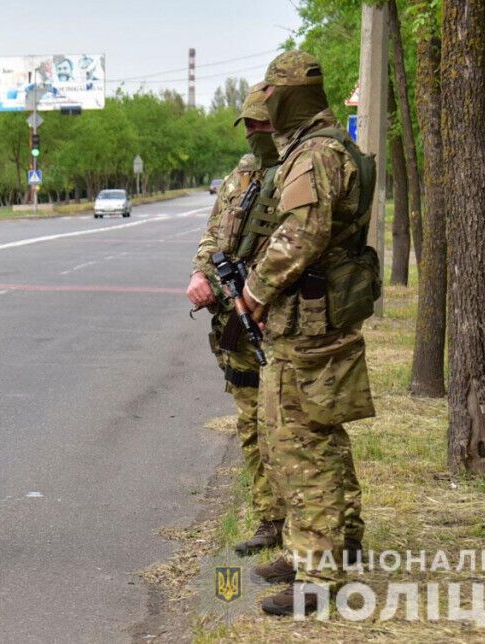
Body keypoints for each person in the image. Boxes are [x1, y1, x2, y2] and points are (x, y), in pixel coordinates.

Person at [240, 51, 378, 616]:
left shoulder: (316, 153)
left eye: (272, 93)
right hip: (307, 319)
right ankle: (319, 547)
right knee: (304, 437)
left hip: (310, 322)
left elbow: (301, 234)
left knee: (304, 443)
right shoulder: (314, 148)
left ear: (292, 94)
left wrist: (254, 291)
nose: (266, 104)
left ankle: (317, 576)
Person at [187, 88, 286, 556]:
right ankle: (271, 520)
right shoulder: (240, 176)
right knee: (250, 423)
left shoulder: (299, 171)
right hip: (235, 322)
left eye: (261, 123)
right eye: (248, 124)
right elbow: (214, 235)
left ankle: (311, 528)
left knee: (289, 427)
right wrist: (200, 274)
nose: (253, 132)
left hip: (280, 319)